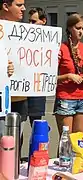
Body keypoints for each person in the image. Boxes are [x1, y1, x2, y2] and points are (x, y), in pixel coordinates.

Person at [54, 13, 83, 137]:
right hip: (66, 97)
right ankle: (64, 157)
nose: (81, 32)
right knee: (66, 139)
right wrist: (68, 76)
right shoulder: (61, 48)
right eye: (78, 28)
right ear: (70, 28)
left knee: (79, 139)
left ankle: (77, 157)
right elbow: (50, 78)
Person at [0, 0, 25, 140]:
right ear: (5, 6)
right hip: (2, 97)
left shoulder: (26, 32)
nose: (24, 8)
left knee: (16, 141)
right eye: (19, 5)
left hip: (20, 95)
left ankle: (14, 162)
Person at [27, 7, 47, 126]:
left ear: (43, 21)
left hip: (37, 88)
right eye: (29, 21)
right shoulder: (23, 37)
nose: (30, 24)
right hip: (22, 87)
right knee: (18, 125)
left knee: (36, 126)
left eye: (33, 21)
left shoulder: (50, 40)